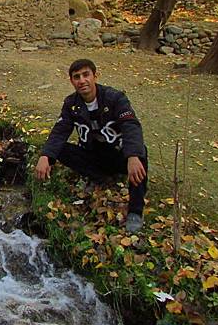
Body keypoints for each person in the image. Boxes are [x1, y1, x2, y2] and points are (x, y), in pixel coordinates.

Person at [34, 59, 148, 233]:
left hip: (118, 154)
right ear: (71, 81)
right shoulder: (71, 103)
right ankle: (100, 177)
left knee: (141, 153)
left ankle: (135, 212)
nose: (82, 80)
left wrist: (132, 156)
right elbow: (60, 130)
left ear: (95, 76)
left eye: (86, 75)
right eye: (76, 77)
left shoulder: (115, 98)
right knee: (60, 150)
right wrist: (45, 156)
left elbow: (130, 125)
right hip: (93, 152)